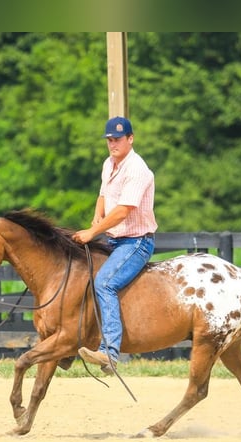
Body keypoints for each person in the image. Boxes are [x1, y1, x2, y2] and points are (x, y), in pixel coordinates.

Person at [72, 116, 158, 372]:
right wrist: (97, 215)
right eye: (109, 140)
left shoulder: (138, 170)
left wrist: (92, 232)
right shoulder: (109, 164)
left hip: (136, 242)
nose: (112, 144)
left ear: (130, 139)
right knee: (80, 275)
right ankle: (71, 344)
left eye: (117, 139)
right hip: (114, 239)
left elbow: (123, 211)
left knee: (105, 283)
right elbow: (103, 195)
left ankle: (109, 352)